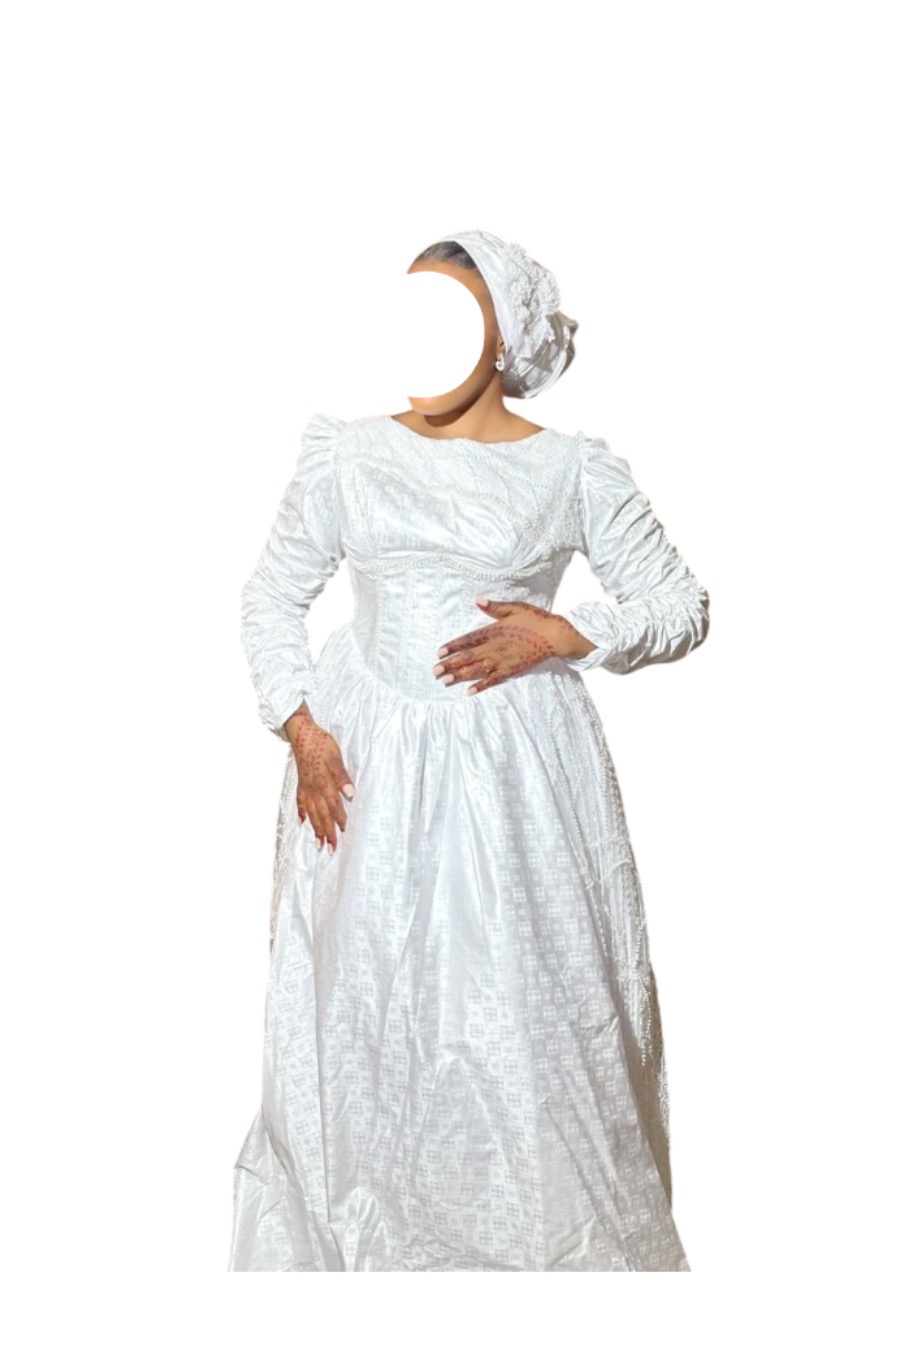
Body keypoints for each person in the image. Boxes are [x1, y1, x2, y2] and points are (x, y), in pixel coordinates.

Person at [228, 228, 710, 1272]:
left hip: (515, 779)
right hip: (364, 769)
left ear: (503, 334)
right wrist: (301, 727)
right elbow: (271, 595)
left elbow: (679, 602)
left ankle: (542, 1261)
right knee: (367, 1008)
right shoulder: (348, 453)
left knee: (527, 1022)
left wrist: (568, 633)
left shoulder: (570, 469)